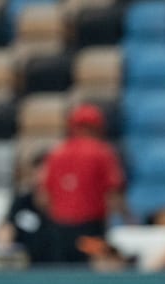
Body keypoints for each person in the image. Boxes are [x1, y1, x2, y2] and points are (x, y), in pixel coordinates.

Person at [41, 103, 126, 263]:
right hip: (90, 229)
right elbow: (113, 192)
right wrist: (125, 220)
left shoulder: (56, 152)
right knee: (92, 273)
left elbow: (44, 197)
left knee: (64, 275)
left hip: (60, 230)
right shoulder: (103, 152)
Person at [0, 150, 53, 264]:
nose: (41, 178)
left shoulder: (65, 206)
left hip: (59, 266)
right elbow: (6, 229)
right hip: (27, 267)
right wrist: (3, 239)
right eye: (37, 173)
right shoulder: (22, 201)